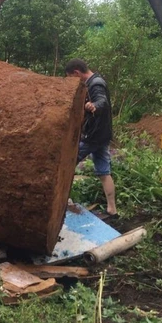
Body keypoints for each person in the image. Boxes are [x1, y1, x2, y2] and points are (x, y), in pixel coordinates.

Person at [65, 58, 117, 218]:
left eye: (71, 77)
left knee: (66, 164)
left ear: (77, 73)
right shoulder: (95, 80)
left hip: (93, 136)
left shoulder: (96, 84)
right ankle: (112, 210)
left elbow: (102, 101)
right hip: (101, 135)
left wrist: (94, 106)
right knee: (103, 171)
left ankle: (65, 202)